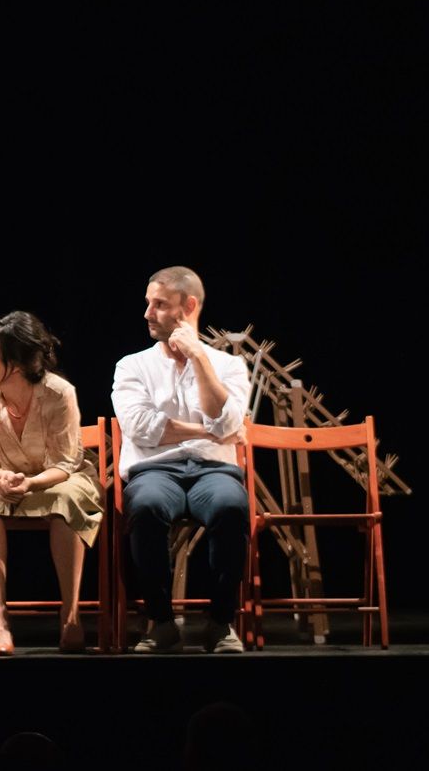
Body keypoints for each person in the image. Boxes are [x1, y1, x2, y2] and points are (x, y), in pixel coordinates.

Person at [111, 266, 251, 654]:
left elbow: (229, 421)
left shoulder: (228, 366)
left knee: (231, 505)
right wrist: (210, 431)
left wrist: (199, 359)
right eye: (148, 303)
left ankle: (220, 622)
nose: (148, 313)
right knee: (147, 506)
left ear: (188, 307)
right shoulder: (132, 366)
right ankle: (161, 622)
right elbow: (141, 427)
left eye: (159, 304)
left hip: (213, 470)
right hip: (155, 470)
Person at [0, 311, 104, 655]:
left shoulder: (59, 393)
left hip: (61, 478)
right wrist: (3, 478)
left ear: (15, 363)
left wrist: (29, 484)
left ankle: (70, 615)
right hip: (6, 478)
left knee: (65, 497)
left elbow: (65, 464)